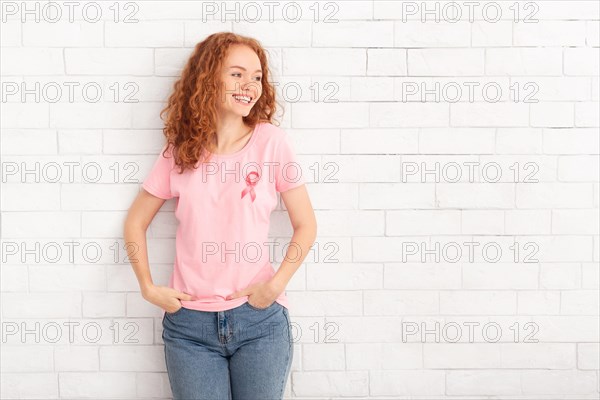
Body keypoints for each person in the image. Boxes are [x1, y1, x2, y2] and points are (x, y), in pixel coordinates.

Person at [123, 32, 317, 400]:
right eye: (237, 74)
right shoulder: (179, 152)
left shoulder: (271, 143)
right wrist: (148, 287)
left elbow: (306, 225)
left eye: (257, 77)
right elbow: (135, 222)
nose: (250, 85)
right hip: (189, 328)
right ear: (208, 77)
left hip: (259, 322)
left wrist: (275, 285)